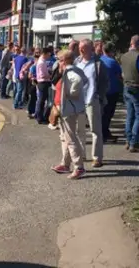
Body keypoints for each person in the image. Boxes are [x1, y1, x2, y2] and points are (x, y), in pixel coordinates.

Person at [51, 50, 88, 180]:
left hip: (68, 110)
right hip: (66, 109)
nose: (58, 62)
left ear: (65, 61)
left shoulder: (70, 71)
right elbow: (85, 79)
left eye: (60, 60)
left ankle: (79, 167)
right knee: (66, 138)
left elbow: (78, 81)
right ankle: (65, 164)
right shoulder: (72, 70)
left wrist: (71, 94)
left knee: (71, 139)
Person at [75, 39, 109, 167]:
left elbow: (105, 82)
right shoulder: (77, 62)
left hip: (92, 100)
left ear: (90, 49)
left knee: (95, 130)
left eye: (83, 48)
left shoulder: (98, 64)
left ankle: (97, 157)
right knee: (80, 130)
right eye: (80, 47)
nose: (81, 50)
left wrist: (99, 96)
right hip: (78, 100)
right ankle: (81, 154)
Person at [120, 35, 139, 153]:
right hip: (137, 88)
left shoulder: (124, 56)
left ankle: (128, 140)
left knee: (130, 114)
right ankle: (134, 142)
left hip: (126, 87)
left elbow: (123, 73)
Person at [100, 42, 122, 143]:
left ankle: (104, 132)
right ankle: (104, 133)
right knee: (109, 113)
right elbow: (119, 76)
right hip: (112, 91)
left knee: (103, 113)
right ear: (111, 51)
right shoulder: (113, 62)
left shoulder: (99, 60)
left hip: (102, 91)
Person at [34, 47, 53, 124]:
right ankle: (40, 118)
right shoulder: (41, 62)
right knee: (41, 101)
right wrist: (50, 75)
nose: (49, 56)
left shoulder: (42, 61)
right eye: (49, 54)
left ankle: (40, 117)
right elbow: (42, 75)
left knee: (42, 101)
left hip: (43, 83)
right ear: (45, 53)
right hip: (43, 83)